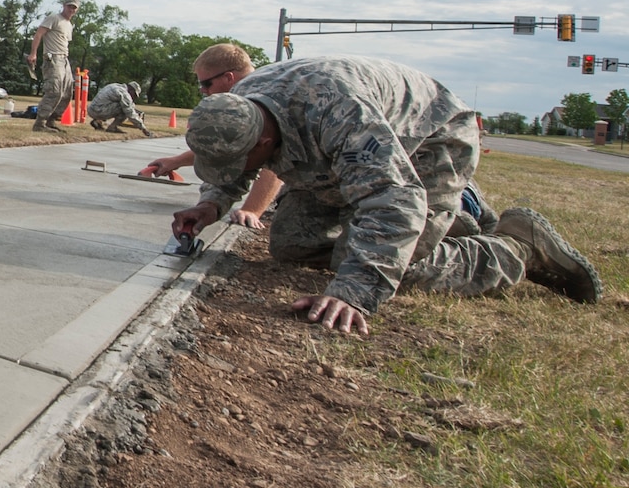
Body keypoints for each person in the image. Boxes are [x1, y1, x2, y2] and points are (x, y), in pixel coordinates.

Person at [170, 55, 602, 336]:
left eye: (245, 161)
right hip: (339, 159)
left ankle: (517, 247)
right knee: (292, 244)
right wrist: (211, 204)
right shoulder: (235, 106)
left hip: (429, 139)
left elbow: (392, 198)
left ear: (264, 142)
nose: (235, 171)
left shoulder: (338, 113)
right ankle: (450, 225)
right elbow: (232, 158)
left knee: (384, 262)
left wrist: (354, 290)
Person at [142, 42, 281, 227]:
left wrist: (252, 210)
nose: (202, 90)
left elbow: (274, 160)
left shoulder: (261, 95)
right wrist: (176, 161)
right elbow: (229, 149)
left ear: (228, 77)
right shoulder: (237, 99)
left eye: (206, 83)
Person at [26, 0, 79, 132]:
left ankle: (52, 121)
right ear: (64, 5)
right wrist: (33, 53)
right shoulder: (54, 18)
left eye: (74, 7)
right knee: (54, 91)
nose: (71, 9)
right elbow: (39, 34)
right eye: (69, 6)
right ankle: (39, 123)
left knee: (67, 93)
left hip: (64, 59)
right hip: (53, 58)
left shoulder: (69, 25)